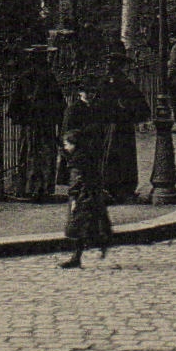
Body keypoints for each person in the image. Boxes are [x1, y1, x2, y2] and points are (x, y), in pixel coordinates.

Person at [58, 90, 112, 269]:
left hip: (83, 193)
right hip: (88, 189)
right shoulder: (74, 110)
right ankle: (90, 249)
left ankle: (81, 254)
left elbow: (77, 181)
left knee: (81, 224)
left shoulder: (78, 161)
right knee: (89, 223)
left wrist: (74, 198)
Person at [6, 48, 65, 200]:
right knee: (43, 154)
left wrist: (21, 117)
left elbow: (14, 104)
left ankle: (29, 188)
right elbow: (60, 104)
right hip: (45, 123)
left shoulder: (25, 77)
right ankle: (43, 188)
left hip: (32, 123)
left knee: (30, 153)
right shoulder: (48, 77)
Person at [95, 51, 152, 202]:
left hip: (108, 125)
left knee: (109, 156)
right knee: (122, 158)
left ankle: (109, 188)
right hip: (121, 126)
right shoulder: (123, 83)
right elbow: (139, 104)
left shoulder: (104, 82)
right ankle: (122, 189)